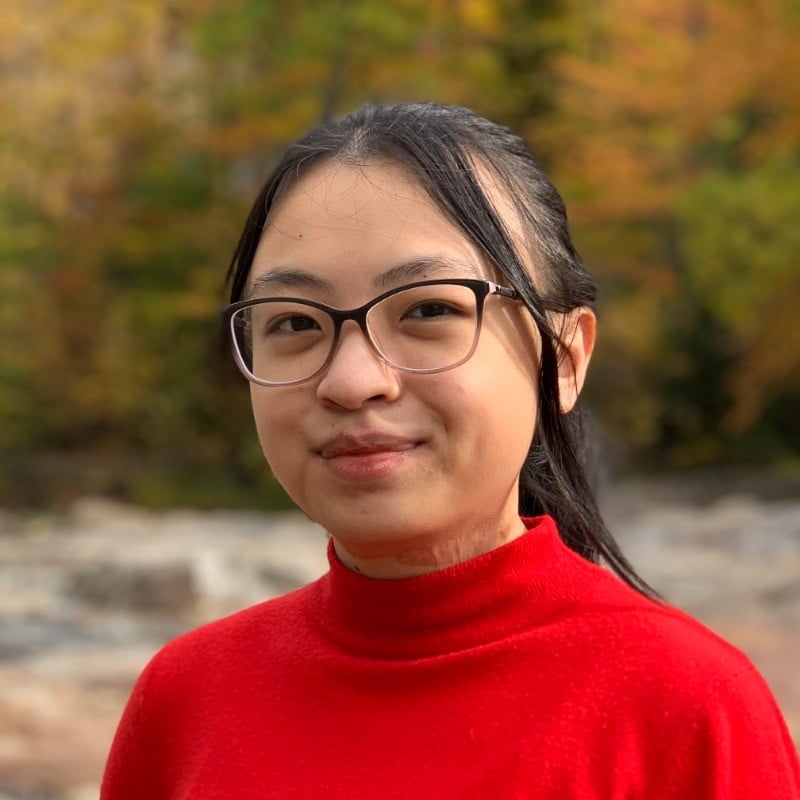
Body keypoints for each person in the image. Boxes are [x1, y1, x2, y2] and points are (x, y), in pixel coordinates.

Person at [101, 102, 800, 798]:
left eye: (429, 310)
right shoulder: (186, 702)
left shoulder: (687, 710)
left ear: (563, 358)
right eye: (294, 322)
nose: (352, 381)